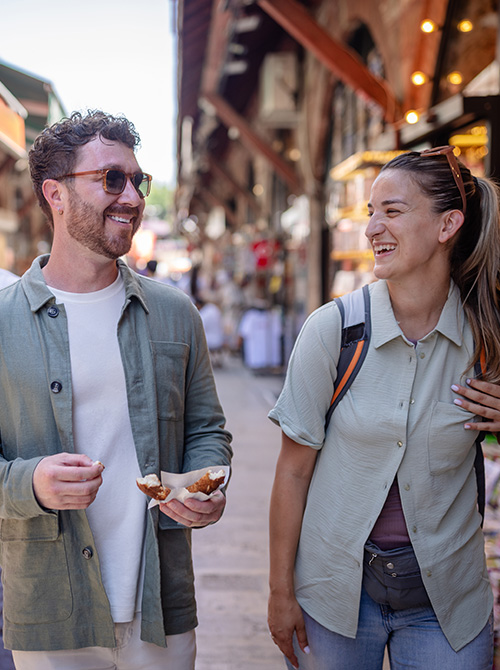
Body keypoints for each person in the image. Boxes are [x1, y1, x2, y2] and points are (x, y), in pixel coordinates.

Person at [0, 110, 232, 670]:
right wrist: (30, 483)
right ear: (55, 193)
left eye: (137, 180)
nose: (131, 195)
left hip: (161, 604)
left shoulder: (176, 313)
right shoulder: (2, 321)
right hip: (53, 609)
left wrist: (207, 485)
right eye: (110, 179)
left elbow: (207, 429)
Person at [267, 145, 500, 670]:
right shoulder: (334, 331)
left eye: (392, 211)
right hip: (334, 596)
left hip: (448, 604)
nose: (372, 227)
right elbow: (293, 473)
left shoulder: (487, 339)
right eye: (371, 211)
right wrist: (281, 592)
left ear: (448, 225)